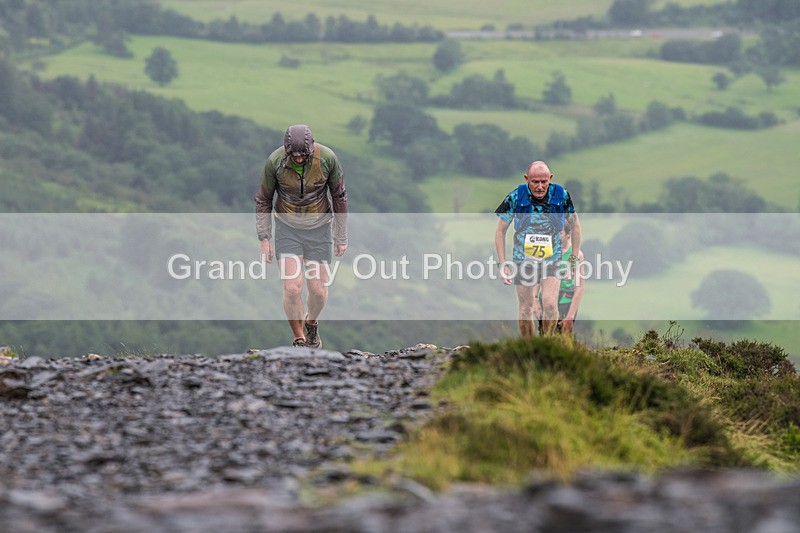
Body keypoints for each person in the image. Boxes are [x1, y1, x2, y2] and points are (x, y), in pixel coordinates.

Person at [255, 124, 348, 348]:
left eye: (302, 156)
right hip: (288, 228)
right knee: (292, 287)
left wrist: (341, 236)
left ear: (311, 149)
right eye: (293, 156)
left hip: (320, 228)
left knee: (318, 290)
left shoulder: (327, 159)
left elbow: (339, 196)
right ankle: (299, 338)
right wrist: (264, 237)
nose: (298, 160)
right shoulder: (275, 162)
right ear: (287, 151)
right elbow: (263, 199)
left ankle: (311, 324)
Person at [494, 160, 581, 337]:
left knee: (549, 304)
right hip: (523, 259)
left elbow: (576, 226)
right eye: (535, 182)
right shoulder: (516, 196)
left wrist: (572, 260)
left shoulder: (561, 195)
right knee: (526, 308)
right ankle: (530, 348)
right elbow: (500, 230)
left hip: (552, 258)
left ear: (550, 178)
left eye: (544, 182)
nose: (540, 186)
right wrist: (502, 263)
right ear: (527, 179)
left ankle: (547, 344)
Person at [533, 225, 586, 335]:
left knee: (563, 336)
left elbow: (579, 287)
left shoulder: (576, 255)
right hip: (547, 298)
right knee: (545, 334)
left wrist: (570, 316)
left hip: (566, 300)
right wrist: (535, 300)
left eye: (559, 233)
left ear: (568, 235)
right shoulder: (546, 252)